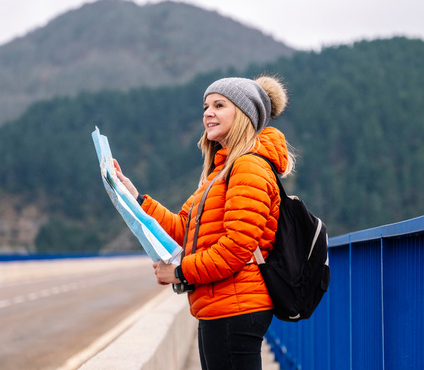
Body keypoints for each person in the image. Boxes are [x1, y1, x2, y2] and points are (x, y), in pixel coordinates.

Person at [114, 75, 295, 370]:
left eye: (219, 105)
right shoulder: (221, 171)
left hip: (236, 307)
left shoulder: (248, 167)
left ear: (243, 115)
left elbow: (236, 248)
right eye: (206, 106)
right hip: (219, 305)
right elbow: (185, 228)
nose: (207, 113)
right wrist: (135, 197)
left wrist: (181, 272)